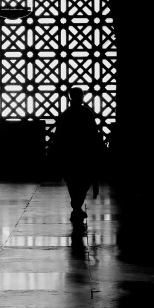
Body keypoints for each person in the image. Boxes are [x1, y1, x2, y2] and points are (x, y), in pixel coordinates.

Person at [50, 86, 105, 223]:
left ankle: (76, 207)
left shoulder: (66, 113)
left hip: (70, 153)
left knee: (73, 181)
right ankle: (76, 207)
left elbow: (59, 135)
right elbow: (94, 132)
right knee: (84, 181)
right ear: (81, 97)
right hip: (84, 153)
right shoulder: (87, 112)